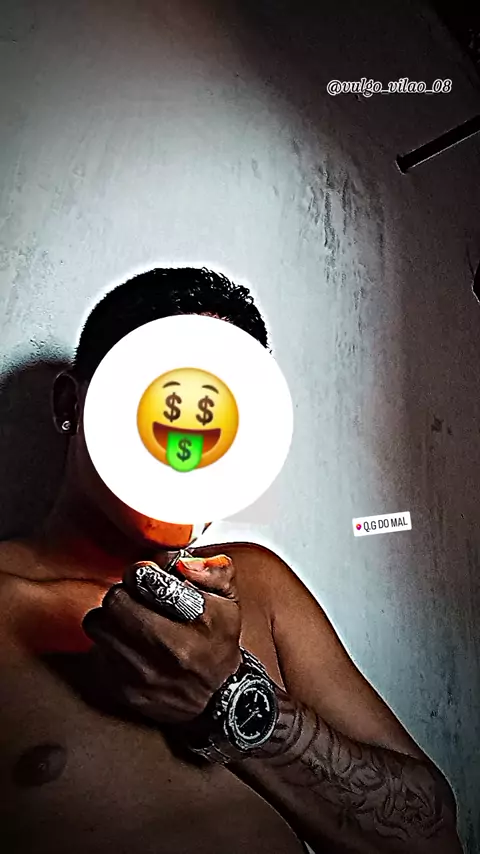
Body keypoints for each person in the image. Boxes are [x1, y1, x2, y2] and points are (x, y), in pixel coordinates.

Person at [0, 267, 462, 854]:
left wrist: (231, 703)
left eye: (222, 405)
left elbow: (432, 836)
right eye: (164, 391)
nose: (190, 438)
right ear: (73, 403)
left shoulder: (258, 584)